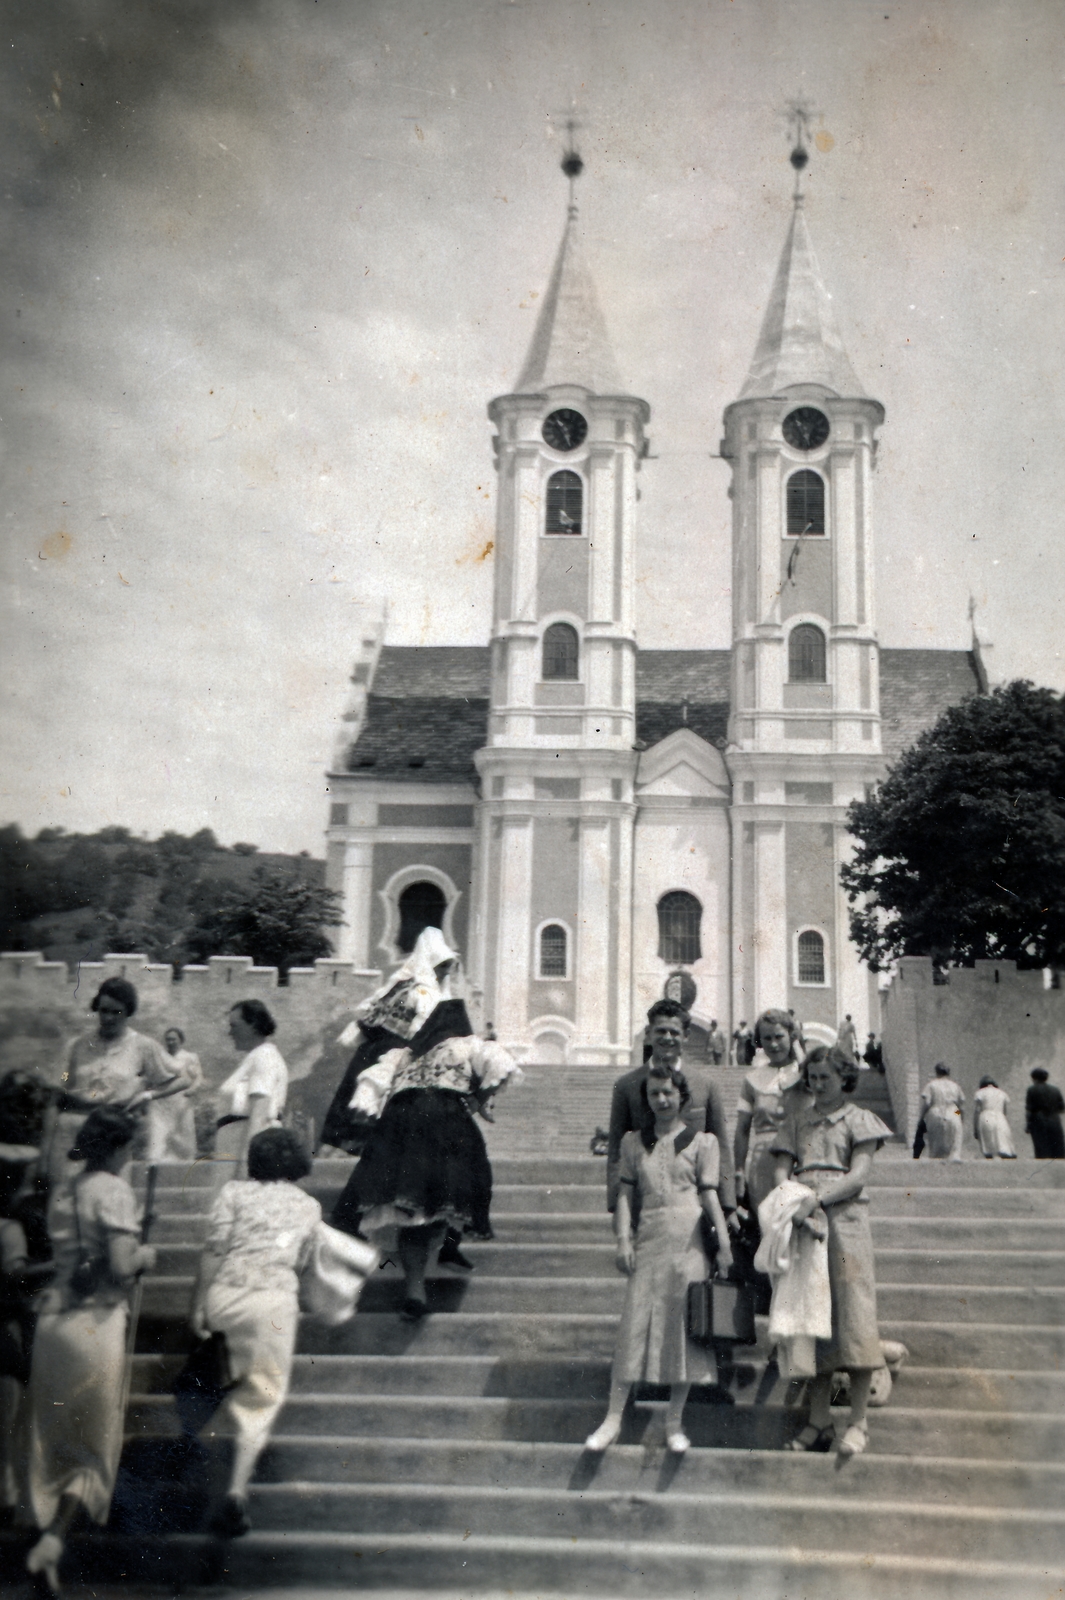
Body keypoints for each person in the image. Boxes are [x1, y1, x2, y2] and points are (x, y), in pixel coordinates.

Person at [23, 1108, 156, 1592]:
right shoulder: (115, 1190)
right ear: (121, 1149)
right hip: (95, 1325)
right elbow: (122, 1267)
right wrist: (146, 1254)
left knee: (49, 1443)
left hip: (53, 1323)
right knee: (93, 1447)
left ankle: (44, 1542)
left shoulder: (63, 1190)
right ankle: (52, 1544)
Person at [331, 998, 521, 1320]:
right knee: (458, 1190)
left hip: (398, 1129)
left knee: (412, 1208)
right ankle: (449, 1247)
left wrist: (368, 1115)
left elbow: (370, 1085)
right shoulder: (467, 1044)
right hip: (445, 1122)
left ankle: (415, 1291)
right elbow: (503, 1065)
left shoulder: (403, 1054)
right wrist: (479, 1099)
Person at [585, 1062, 732, 1455]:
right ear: (646, 1099)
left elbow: (710, 1196)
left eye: (668, 1092)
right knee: (634, 1326)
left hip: (690, 1245)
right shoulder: (634, 1143)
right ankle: (613, 1419)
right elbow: (624, 1197)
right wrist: (622, 1240)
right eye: (654, 1094)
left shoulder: (703, 1143)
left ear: (682, 1097)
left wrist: (724, 1243)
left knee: (685, 1331)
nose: (662, 1099)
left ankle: (673, 1422)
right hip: (649, 1239)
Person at [189, 1127, 321, 1539]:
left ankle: (209, 1472)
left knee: (219, 1384)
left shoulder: (233, 1193)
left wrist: (199, 1303)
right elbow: (300, 1260)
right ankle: (235, 1489)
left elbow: (214, 1248)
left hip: (227, 1294)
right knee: (261, 1394)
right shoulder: (308, 1205)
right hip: (273, 1301)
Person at [771, 1045, 892, 1458]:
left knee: (854, 1318)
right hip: (805, 1225)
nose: (817, 1084)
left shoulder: (860, 1120)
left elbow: (858, 1176)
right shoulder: (797, 1121)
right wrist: (795, 1205)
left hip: (846, 1225)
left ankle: (858, 1421)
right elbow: (780, 1170)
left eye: (826, 1077)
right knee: (814, 1319)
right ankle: (819, 1420)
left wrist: (817, 1199)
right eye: (812, 1077)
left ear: (844, 1078)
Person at [319, 927, 460, 1158]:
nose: (446, 972)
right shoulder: (424, 991)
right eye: (443, 966)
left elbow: (365, 1018)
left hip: (370, 1051)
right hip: (394, 1055)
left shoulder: (398, 985)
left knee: (360, 1103)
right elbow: (423, 1030)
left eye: (448, 966)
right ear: (431, 964)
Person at [46, 978, 187, 1186]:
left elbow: (182, 1079)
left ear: (128, 1012)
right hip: (73, 1133)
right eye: (103, 1011)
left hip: (112, 1136)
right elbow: (58, 1090)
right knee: (66, 1201)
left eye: (116, 1012)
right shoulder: (77, 1046)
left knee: (109, 1198)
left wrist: (148, 1094)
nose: (108, 1018)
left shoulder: (143, 1047)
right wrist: (44, 1156)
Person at [607, 1000, 736, 1218]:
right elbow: (616, 1152)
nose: (668, 1037)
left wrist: (728, 1204)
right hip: (645, 1204)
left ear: (686, 1036)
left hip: (695, 1204)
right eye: (661, 1031)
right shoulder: (626, 1086)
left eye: (674, 1032)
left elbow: (721, 1147)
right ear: (648, 1033)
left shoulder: (705, 1086)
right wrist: (616, 1207)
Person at [733, 1009, 809, 1215]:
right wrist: (739, 1171)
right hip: (764, 1160)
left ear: (792, 1036)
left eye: (779, 1036)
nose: (773, 1044)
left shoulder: (807, 1074)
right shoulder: (752, 1079)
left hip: (802, 1158)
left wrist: (798, 1050)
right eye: (767, 1038)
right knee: (768, 1223)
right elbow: (741, 1131)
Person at [211, 1001, 287, 1194]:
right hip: (234, 1144)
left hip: (243, 1147)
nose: (230, 1033)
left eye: (234, 1026)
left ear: (253, 1025)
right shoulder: (256, 1056)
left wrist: (247, 1162)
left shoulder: (264, 1056)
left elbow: (260, 1110)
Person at [144, 1027, 204, 1163]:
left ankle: (184, 1160)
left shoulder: (189, 1057)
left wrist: (193, 1090)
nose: (170, 1042)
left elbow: (198, 1077)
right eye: (168, 1039)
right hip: (161, 1101)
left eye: (173, 1039)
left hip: (181, 1099)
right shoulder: (161, 1056)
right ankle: (157, 1159)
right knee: (158, 1130)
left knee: (182, 1129)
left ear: (180, 1040)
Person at [920, 1063, 964, 1161]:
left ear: (936, 1072)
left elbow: (927, 1103)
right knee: (955, 1139)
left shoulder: (931, 1084)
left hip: (935, 1111)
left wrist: (921, 1117)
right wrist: (960, 1116)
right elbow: (960, 1106)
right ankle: (954, 1159)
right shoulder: (955, 1086)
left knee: (935, 1142)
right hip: (953, 1111)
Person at [973, 1076, 1016, 1159]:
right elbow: (1005, 1111)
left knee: (988, 1144)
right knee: (1003, 1141)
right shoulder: (1002, 1093)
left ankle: (990, 1158)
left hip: (985, 1116)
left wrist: (975, 1127)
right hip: (1000, 1117)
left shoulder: (980, 1093)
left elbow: (977, 1111)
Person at [1026, 1068, 1065, 1159]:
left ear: (1034, 1078)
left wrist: (1028, 1125)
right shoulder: (1055, 1090)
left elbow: (1029, 1109)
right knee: (1057, 1146)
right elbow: (1062, 1108)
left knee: (1042, 1148)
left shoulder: (1032, 1089)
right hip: (1055, 1120)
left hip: (1039, 1120)